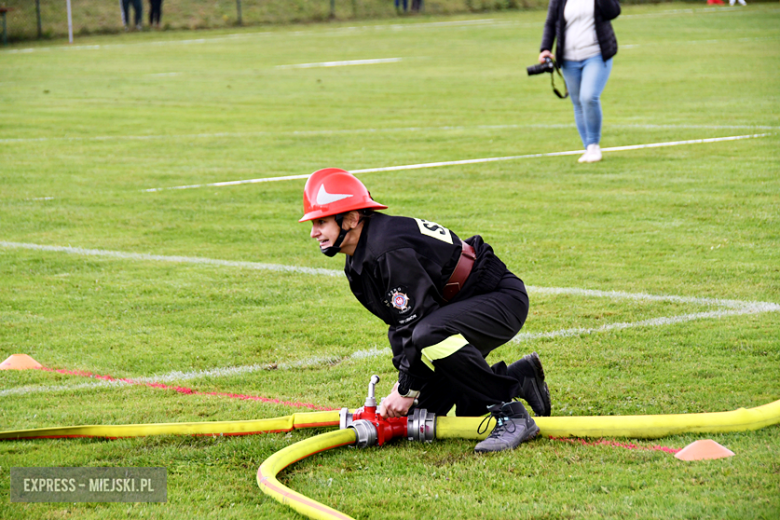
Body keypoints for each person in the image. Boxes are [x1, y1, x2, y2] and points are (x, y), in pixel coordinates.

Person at [300, 168, 551, 453]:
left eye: (320, 221)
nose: (313, 233)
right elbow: (399, 326)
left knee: (430, 335)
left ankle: (512, 414)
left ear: (352, 218)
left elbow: (417, 323)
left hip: (499, 299)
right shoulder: (359, 263)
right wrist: (404, 387)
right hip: (457, 308)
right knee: (425, 411)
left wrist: (407, 388)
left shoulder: (386, 250)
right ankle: (519, 377)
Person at [539, 0, 621, 163]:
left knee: (588, 97)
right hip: (568, 58)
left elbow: (613, 12)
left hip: (596, 54)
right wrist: (545, 49)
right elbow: (550, 23)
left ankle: (593, 147)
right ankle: (588, 147)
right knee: (577, 102)